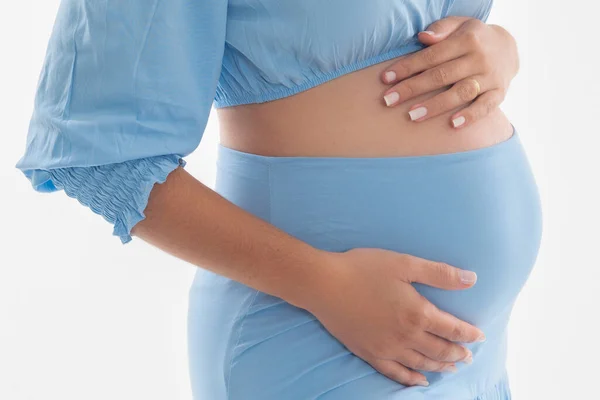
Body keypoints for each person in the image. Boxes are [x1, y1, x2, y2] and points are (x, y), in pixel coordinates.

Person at [16, 1, 542, 399]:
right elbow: (101, 159)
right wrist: (325, 286)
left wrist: (498, 47)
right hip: (323, 334)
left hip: (472, 349)